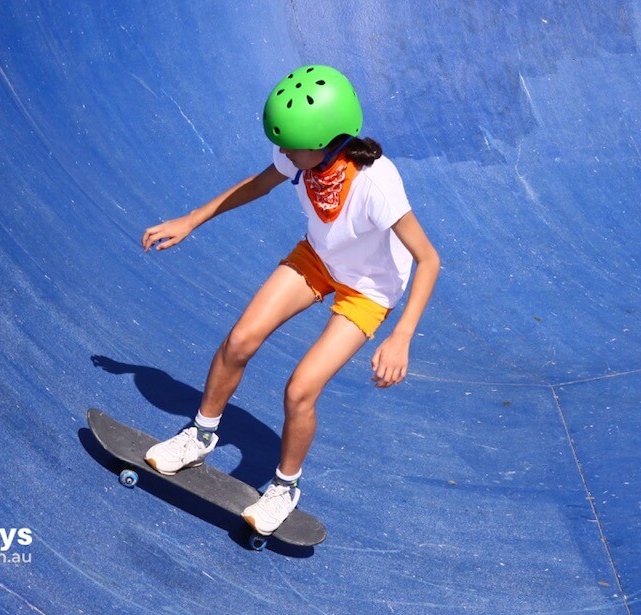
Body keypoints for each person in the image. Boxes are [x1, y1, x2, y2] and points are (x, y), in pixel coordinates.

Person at [140, 65, 439, 536]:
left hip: (369, 289)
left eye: (289, 146)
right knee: (240, 340)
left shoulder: (376, 183)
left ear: (325, 140)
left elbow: (429, 260)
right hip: (320, 257)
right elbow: (258, 184)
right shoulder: (307, 156)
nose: (281, 152)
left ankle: (284, 487)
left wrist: (401, 337)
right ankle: (200, 435)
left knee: (300, 389)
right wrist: (191, 220)